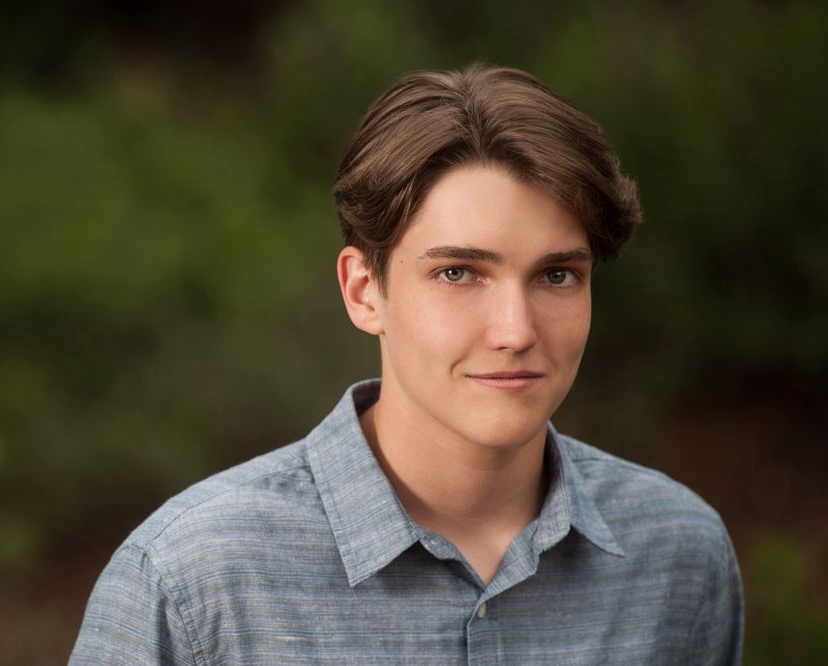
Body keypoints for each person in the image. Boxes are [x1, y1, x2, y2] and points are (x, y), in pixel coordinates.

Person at [70, 64, 743, 664]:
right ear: (365, 291)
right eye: (458, 273)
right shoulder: (191, 579)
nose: (516, 331)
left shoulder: (679, 555)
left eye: (557, 276)